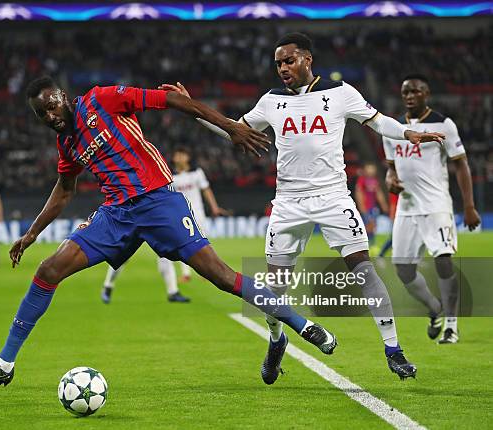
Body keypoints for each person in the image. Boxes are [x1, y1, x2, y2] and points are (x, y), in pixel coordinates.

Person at [0, 76, 339, 388]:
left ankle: (301, 325)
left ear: (62, 96)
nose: (50, 116)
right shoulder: (68, 143)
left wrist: (231, 129)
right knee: (47, 271)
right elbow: (65, 190)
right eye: (42, 114)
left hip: (158, 202)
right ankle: (4, 365)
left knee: (221, 277)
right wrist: (30, 234)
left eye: (52, 106)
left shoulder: (103, 100)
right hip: (115, 215)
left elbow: (171, 101)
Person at [170, 32, 446, 382]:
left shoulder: (341, 94)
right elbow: (234, 130)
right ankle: (276, 339)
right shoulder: (271, 101)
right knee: (275, 288)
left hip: (333, 198)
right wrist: (192, 109)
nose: (283, 68)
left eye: (289, 61)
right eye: (279, 64)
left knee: (364, 269)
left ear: (307, 59)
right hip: (287, 203)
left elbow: (378, 122)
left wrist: (408, 134)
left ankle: (394, 350)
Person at [383, 74, 481, 344]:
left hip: (436, 205)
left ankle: (451, 324)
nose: (409, 95)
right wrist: (390, 180)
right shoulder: (392, 127)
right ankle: (434, 307)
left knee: (443, 258)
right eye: (405, 92)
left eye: (415, 91)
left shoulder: (443, 123)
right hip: (406, 208)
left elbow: (460, 163)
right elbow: (391, 168)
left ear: (427, 93)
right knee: (402, 269)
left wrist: (469, 206)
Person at [100, 147, 228, 304]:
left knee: (171, 254)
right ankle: (108, 285)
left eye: (182, 154)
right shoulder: (162, 176)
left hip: (180, 218)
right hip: (141, 218)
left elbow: (205, 190)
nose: (178, 157)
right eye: (176, 154)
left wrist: (214, 207)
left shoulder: (192, 173)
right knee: (122, 255)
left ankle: (174, 290)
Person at [354, 162, 389, 253]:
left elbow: (378, 193)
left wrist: (383, 205)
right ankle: (364, 245)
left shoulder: (374, 181)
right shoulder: (362, 180)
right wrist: (361, 206)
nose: (371, 171)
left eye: (372, 169)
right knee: (367, 226)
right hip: (365, 207)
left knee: (373, 226)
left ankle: (371, 245)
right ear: (365, 170)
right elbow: (359, 193)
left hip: (373, 207)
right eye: (369, 169)